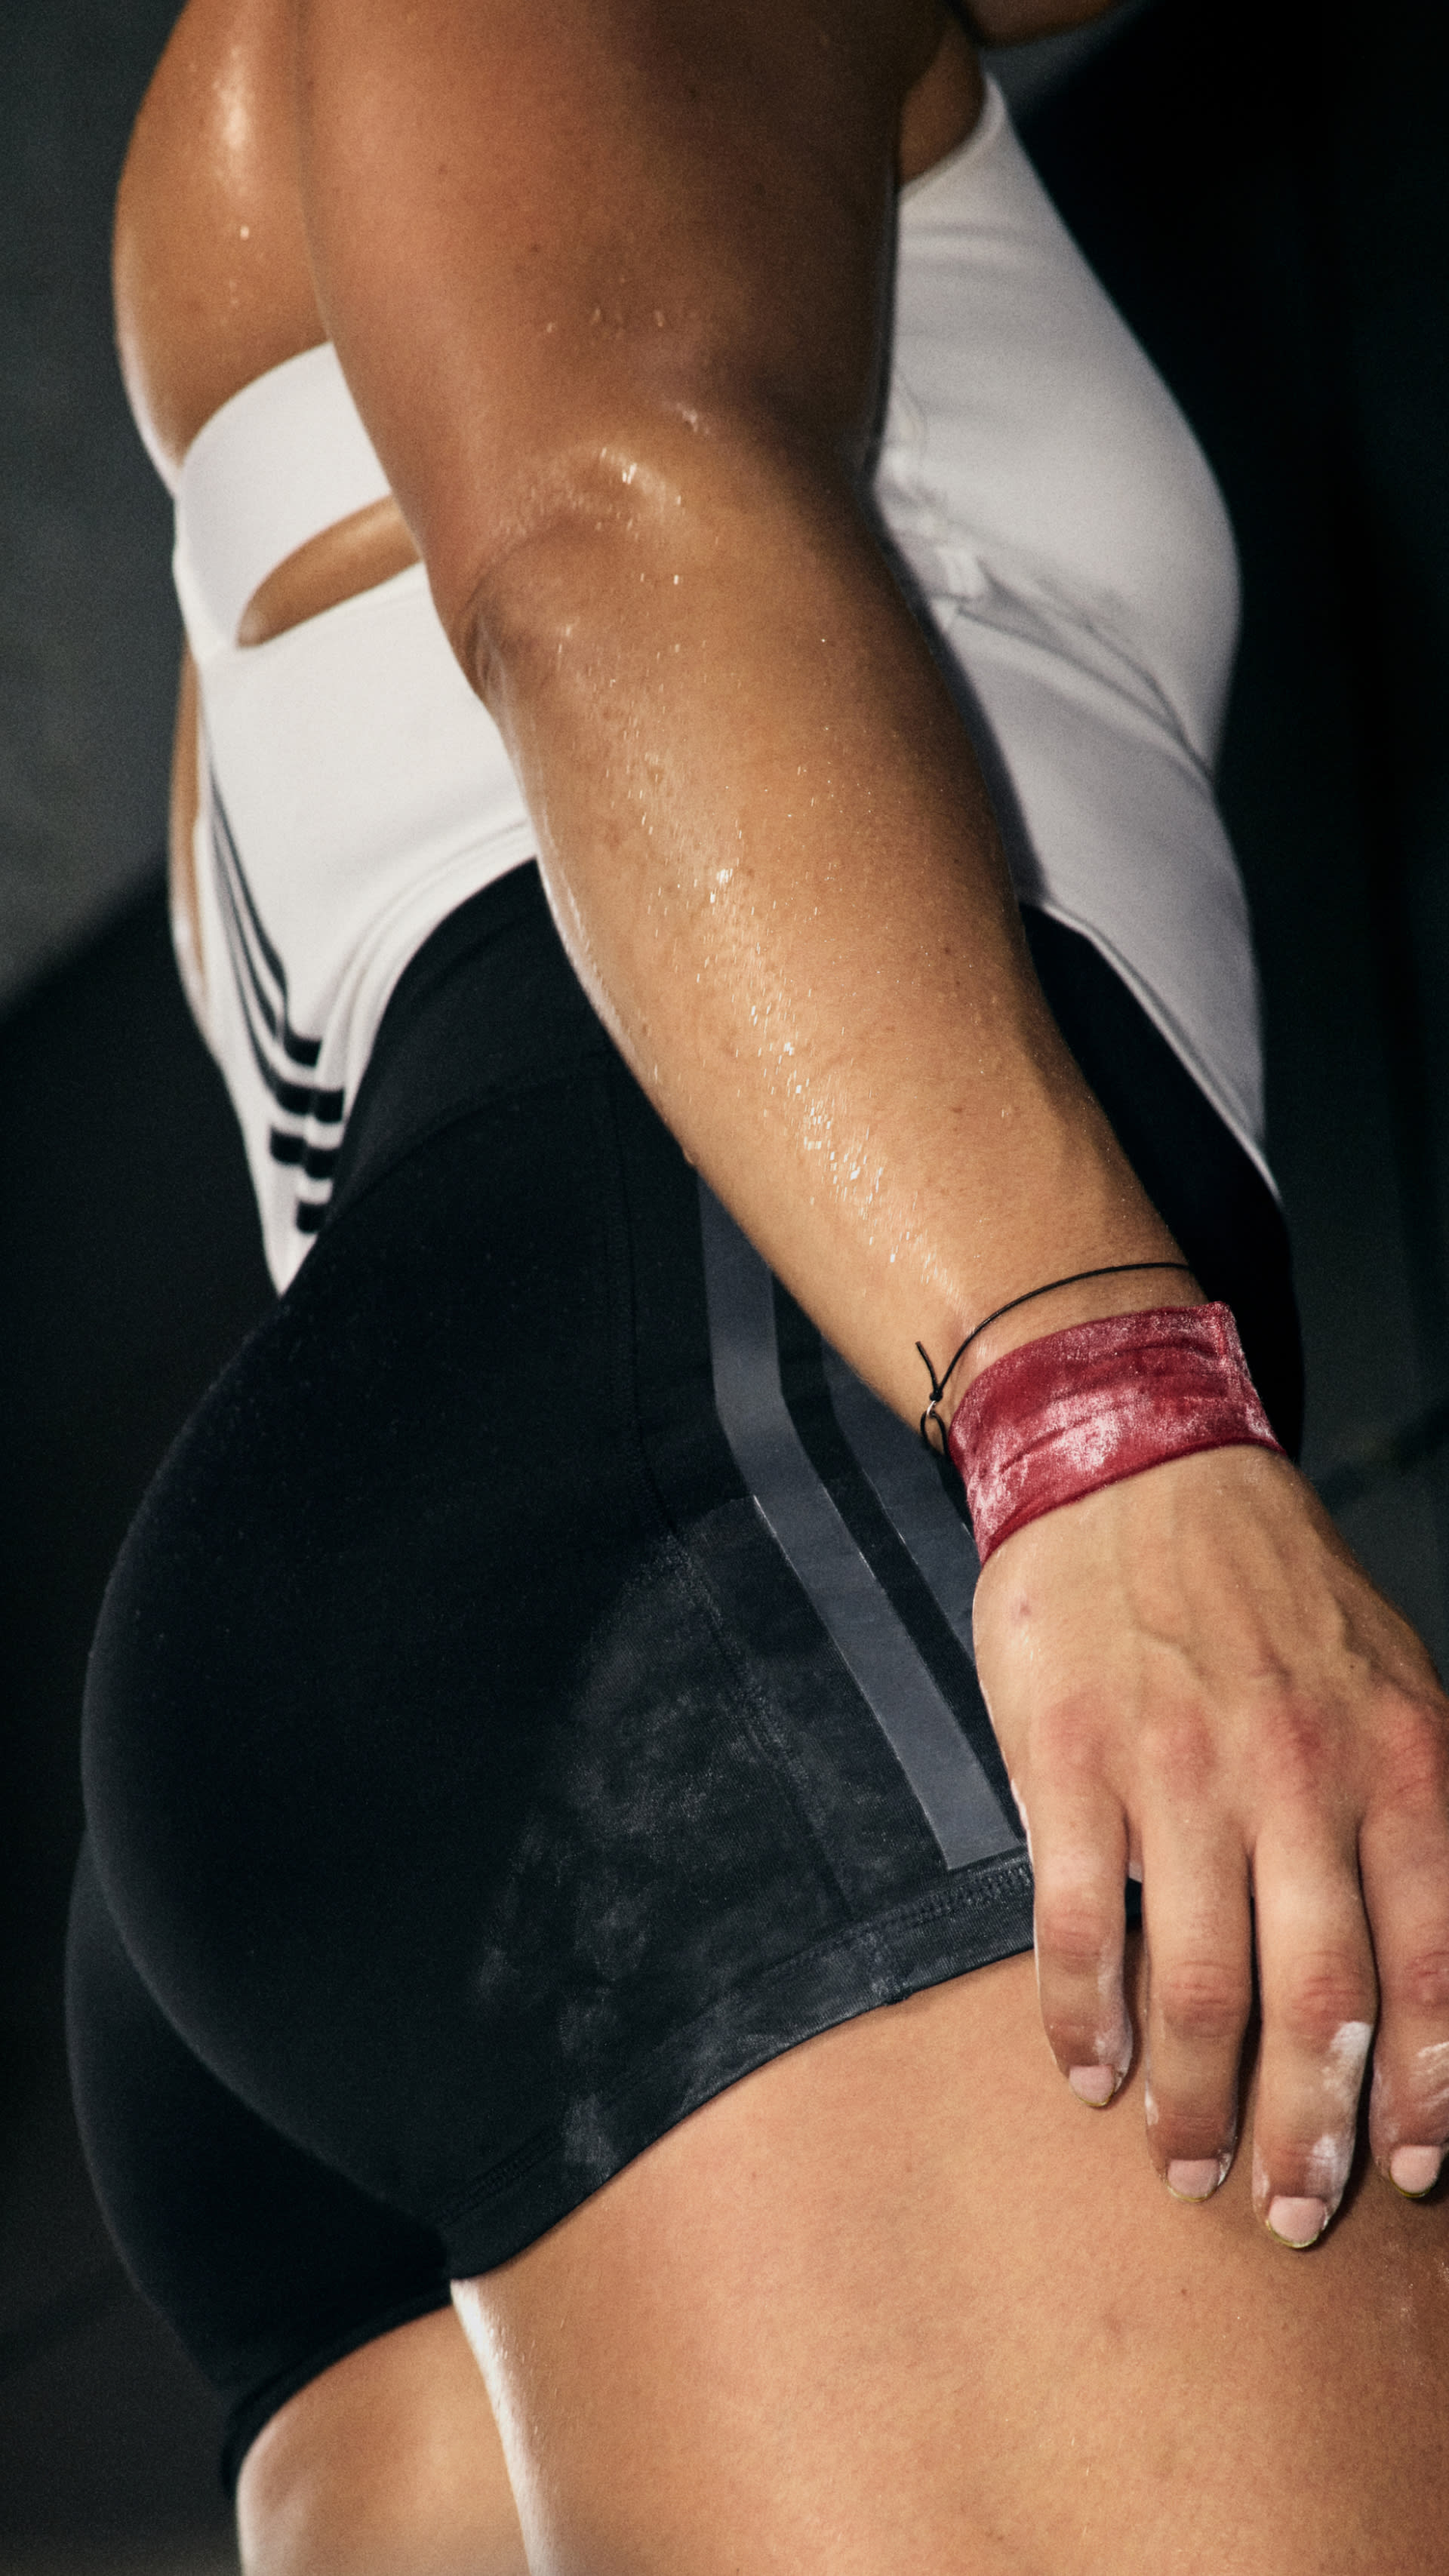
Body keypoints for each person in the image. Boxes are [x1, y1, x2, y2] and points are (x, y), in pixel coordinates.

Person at [66, 0, 1449, 2565]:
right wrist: (1096, 1408)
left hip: (553, 1602)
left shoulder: (301, 297)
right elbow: (604, 522)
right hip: (770, 1508)